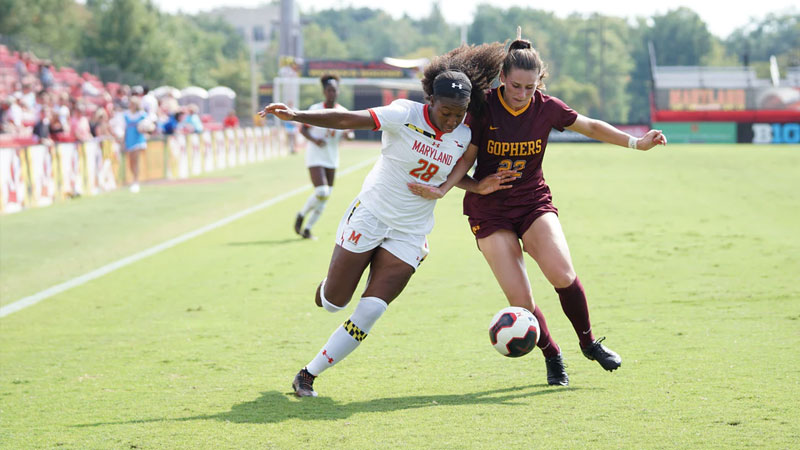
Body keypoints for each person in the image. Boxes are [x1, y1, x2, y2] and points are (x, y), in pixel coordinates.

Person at [409, 29, 668, 386]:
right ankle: (552, 355)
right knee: (521, 299)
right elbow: (464, 159)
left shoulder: (547, 109)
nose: (522, 94)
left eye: (530, 88)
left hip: (533, 202)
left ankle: (589, 343)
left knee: (562, 274)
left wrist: (637, 143)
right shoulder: (483, 108)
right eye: (516, 86)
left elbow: (589, 125)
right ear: (502, 78)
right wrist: (445, 188)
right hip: (489, 210)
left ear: (539, 84)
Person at [260, 43, 512, 398]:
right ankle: (329, 284)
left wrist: (477, 186)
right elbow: (350, 119)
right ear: (431, 101)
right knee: (334, 301)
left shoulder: (465, 135)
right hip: (371, 215)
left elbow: (451, 173)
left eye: (460, 113)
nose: (452, 120)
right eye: (446, 112)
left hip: (410, 232)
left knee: (372, 309)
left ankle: (308, 374)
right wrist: (297, 115)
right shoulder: (403, 114)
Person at [293, 74, 355, 240]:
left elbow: (348, 132)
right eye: (328, 90)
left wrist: (348, 136)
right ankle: (301, 214)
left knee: (326, 196)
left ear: (338, 91)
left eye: (334, 90)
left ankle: (307, 228)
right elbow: (303, 129)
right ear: (324, 92)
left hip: (332, 157)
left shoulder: (342, 112)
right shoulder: (315, 109)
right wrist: (314, 140)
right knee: (322, 190)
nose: (331, 93)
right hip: (315, 155)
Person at [123, 96, 149, 193]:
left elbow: (147, 127)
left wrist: (145, 129)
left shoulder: (142, 115)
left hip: (138, 139)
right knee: (131, 161)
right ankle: (133, 178)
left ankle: (136, 180)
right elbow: (125, 129)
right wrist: (123, 141)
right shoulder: (126, 115)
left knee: (136, 159)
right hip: (129, 139)